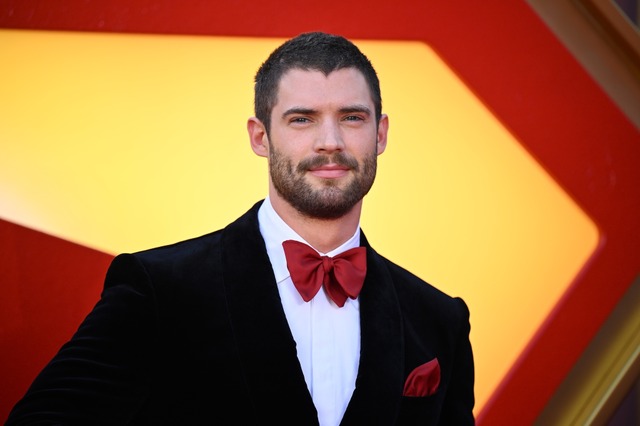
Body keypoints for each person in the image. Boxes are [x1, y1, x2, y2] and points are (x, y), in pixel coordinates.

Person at [6, 31, 475, 425]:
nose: (330, 142)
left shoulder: (439, 320)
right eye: (302, 119)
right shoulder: (159, 292)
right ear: (260, 136)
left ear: (381, 133)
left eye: (352, 118)